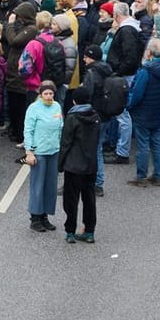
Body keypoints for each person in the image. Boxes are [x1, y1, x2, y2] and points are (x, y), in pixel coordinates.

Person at [58, 83, 101, 243]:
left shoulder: (72, 117)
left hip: (73, 165)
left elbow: (66, 142)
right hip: (90, 165)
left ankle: (70, 231)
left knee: (71, 200)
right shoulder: (95, 116)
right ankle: (89, 231)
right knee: (89, 199)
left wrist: (60, 164)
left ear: (75, 101)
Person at [127, 38, 160, 186]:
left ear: (149, 52)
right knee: (156, 143)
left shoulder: (146, 71)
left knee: (143, 145)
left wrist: (129, 105)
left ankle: (141, 176)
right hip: (157, 110)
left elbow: (137, 93)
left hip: (143, 112)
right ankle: (158, 175)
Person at [22, 80, 63, 231]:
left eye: (51, 93)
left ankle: (45, 216)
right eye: (45, 93)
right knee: (37, 185)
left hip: (53, 150)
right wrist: (29, 152)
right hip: (39, 152)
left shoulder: (57, 106)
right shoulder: (33, 108)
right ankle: (35, 218)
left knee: (50, 186)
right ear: (40, 94)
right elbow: (28, 130)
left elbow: (60, 127)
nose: (48, 96)